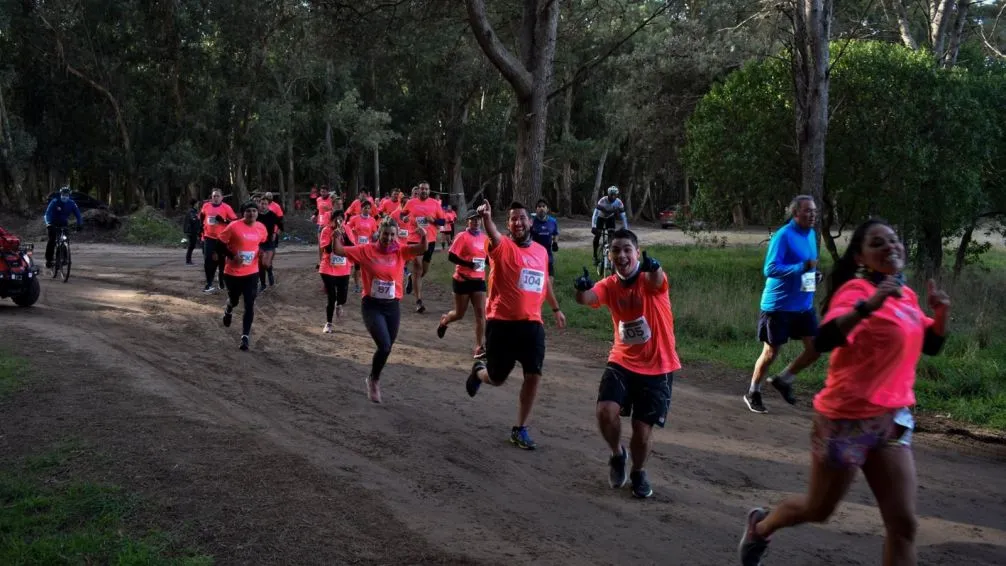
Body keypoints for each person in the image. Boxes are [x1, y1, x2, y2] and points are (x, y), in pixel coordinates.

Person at [738, 218, 950, 566]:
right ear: (861, 258)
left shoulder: (907, 296)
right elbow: (823, 339)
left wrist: (941, 313)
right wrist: (870, 306)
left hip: (892, 422)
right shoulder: (855, 293)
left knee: (903, 525)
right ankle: (761, 527)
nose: (890, 247)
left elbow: (931, 344)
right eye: (878, 243)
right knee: (818, 509)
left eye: (894, 240)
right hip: (845, 420)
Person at [573, 229, 680, 499]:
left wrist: (655, 266)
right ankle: (617, 455)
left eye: (627, 250)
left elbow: (658, 280)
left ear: (636, 252)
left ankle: (638, 471)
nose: (621, 255)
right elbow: (587, 299)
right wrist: (581, 288)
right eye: (615, 250)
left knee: (642, 432)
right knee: (605, 412)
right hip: (622, 360)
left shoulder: (649, 280)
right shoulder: (609, 285)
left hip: (658, 365)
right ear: (609, 255)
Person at [465, 200, 566, 450]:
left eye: (522, 217)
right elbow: (493, 234)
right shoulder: (501, 246)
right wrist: (487, 218)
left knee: (534, 375)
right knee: (497, 378)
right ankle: (480, 370)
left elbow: (545, 284)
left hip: (532, 325)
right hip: (502, 325)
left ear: (530, 221)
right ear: (508, 224)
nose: (518, 222)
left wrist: (555, 308)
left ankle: (520, 428)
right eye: (513, 219)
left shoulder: (541, 252)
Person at [331, 216, 428, 403]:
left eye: (392, 235)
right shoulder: (366, 250)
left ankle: (373, 376)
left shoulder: (400, 251)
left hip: (392, 306)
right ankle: (374, 380)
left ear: (397, 235)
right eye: (386, 234)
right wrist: (336, 236)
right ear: (379, 234)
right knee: (384, 345)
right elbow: (339, 250)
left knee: (387, 347)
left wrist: (423, 236)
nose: (389, 238)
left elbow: (421, 248)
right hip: (372, 305)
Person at [744, 195, 822, 414]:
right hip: (778, 306)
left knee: (815, 348)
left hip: (803, 306)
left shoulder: (811, 235)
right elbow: (770, 269)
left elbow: (808, 266)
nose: (812, 214)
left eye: (814, 211)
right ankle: (753, 391)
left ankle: (784, 380)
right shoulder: (784, 235)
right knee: (770, 352)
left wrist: (815, 277)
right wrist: (800, 267)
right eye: (807, 210)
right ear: (795, 213)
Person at [217, 201, 268, 351]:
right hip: (232, 273)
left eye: (254, 211)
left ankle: (245, 337)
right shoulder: (234, 226)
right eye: (248, 211)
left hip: (251, 272)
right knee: (234, 299)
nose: (251, 214)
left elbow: (263, 242)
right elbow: (220, 245)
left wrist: (262, 253)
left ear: (257, 213)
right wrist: (232, 256)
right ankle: (229, 308)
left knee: (249, 303)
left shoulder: (261, 228)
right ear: (242, 213)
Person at [437, 210, 488, 358]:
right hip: (462, 279)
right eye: (472, 219)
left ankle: (479, 347)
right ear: (467, 222)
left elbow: (486, 259)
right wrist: (468, 264)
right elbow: (451, 256)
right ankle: (445, 320)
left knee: (480, 314)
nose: (475, 222)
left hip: (479, 281)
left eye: (478, 219)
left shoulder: (485, 238)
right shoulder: (462, 237)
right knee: (459, 314)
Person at [402, 182, 446, 313]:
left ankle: (411, 279)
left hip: (430, 240)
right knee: (417, 266)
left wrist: (433, 220)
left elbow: (443, 221)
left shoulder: (435, 204)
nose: (424, 191)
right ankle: (418, 301)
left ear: (429, 191)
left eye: (427, 189)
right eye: (422, 189)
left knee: (423, 271)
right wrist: (404, 218)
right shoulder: (411, 202)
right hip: (414, 239)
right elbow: (402, 214)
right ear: (419, 190)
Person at [319, 210, 356, 333]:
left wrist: (344, 235)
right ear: (332, 220)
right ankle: (329, 323)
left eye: (341, 219)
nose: (339, 222)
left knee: (342, 297)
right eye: (337, 219)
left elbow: (352, 247)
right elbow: (327, 250)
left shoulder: (347, 229)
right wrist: (333, 237)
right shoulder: (326, 230)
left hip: (343, 268)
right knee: (331, 296)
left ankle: (339, 304)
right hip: (328, 268)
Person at [199, 189, 237, 293]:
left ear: (222, 197)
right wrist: (200, 227)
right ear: (211, 197)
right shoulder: (206, 206)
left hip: (222, 238)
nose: (215, 198)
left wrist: (223, 221)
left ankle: (221, 280)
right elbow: (202, 216)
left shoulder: (226, 207)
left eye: (218, 196)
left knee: (221, 261)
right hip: (208, 237)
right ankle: (209, 283)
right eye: (214, 196)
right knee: (208, 260)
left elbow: (235, 222)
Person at [43, 187, 83, 268]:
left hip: (63, 223)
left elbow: (78, 215)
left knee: (65, 239)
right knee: (52, 239)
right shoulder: (55, 201)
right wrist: (48, 224)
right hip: (52, 223)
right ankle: (49, 259)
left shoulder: (71, 203)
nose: (65, 196)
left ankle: (63, 258)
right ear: (60, 194)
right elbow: (47, 213)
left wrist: (80, 224)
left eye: (67, 195)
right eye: (63, 194)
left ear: (69, 195)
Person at [347, 200, 379, 293]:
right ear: (361, 209)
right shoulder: (355, 218)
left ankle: (367, 284)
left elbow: (374, 233)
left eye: (369, 208)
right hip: (357, 246)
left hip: (367, 247)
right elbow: (347, 227)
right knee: (357, 267)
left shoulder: (372, 220)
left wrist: (376, 235)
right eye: (365, 208)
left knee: (367, 267)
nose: (367, 210)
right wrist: (352, 234)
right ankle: (357, 285)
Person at [592, 186, 628, 266]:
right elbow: (595, 214)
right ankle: (594, 255)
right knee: (597, 235)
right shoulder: (602, 201)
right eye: (611, 195)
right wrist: (593, 226)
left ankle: (610, 254)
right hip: (600, 218)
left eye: (615, 195)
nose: (613, 197)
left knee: (611, 235)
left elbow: (623, 217)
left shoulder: (619, 202)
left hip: (610, 218)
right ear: (608, 194)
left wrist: (626, 229)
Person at [255, 195, 283, 292]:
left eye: (265, 204)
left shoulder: (272, 215)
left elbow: (281, 226)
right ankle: (263, 284)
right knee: (260, 264)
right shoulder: (256, 215)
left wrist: (275, 233)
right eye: (262, 204)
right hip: (258, 242)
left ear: (268, 205)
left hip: (269, 242)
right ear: (259, 204)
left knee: (266, 264)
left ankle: (270, 271)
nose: (263, 206)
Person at [531, 199, 560, 277]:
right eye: (539, 206)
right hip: (534, 255)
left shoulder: (553, 221)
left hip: (548, 254)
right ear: (536, 209)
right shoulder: (531, 221)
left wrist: (555, 243)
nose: (541, 208)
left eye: (543, 206)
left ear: (547, 209)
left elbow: (556, 233)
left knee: (550, 277)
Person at [311, 185, 335, 265]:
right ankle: (321, 261)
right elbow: (318, 209)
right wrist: (314, 215)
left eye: (324, 192)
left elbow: (334, 210)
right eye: (321, 192)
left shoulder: (331, 199)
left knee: (330, 242)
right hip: (320, 224)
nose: (323, 193)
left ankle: (332, 259)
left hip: (329, 224)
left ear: (327, 192)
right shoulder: (318, 199)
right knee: (320, 243)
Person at [182, 198, 202, 265]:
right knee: (191, 245)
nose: (198, 205)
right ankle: (188, 260)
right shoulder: (192, 211)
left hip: (192, 231)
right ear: (194, 204)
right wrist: (198, 217)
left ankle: (188, 260)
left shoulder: (194, 211)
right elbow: (194, 220)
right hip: (191, 231)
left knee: (192, 245)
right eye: (197, 203)